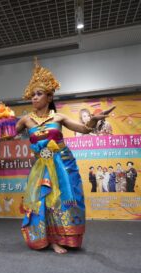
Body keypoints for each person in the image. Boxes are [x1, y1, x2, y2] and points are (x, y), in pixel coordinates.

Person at [15, 58, 115, 253]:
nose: (34, 98)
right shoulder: (26, 120)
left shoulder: (58, 117)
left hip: (63, 163)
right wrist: (1, 123)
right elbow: (9, 134)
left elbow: (85, 129)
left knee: (66, 200)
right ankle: (49, 239)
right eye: (32, 94)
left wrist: (94, 119)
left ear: (50, 97)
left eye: (39, 94)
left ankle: (64, 237)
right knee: (44, 201)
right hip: (42, 167)